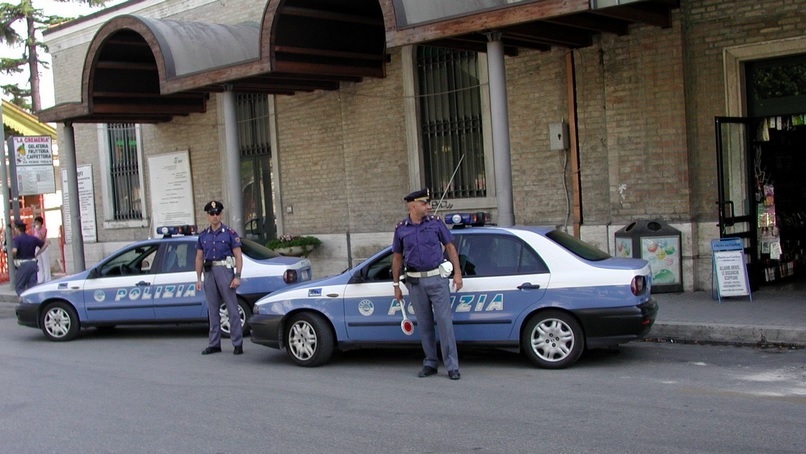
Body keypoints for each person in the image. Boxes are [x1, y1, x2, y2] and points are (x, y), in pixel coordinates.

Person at [392, 188, 463, 380]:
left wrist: (457, 273)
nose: (428, 206)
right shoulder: (401, 228)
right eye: (424, 203)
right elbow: (397, 257)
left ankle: (452, 366)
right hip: (414, 282)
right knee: (424, 325)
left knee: (445, 324)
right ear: (412, 205)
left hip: (436, 279)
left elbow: (450, 247)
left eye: (428, 203)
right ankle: (430, 362)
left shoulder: (435, 224)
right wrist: (396, 285)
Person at [195, 200, 245, 355]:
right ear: (208, 216)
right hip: (209, 272)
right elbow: (198, 257)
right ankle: (214, 343)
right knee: (212, 309)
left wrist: (237, 276)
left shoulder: (229, 233)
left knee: (231, 308)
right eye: (212, 214)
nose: (215, 216)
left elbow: (238, 256)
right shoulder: (203, 236)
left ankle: (237, 343)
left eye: (217, 213)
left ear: (221, 214)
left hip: (225, 270)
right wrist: (198, 278)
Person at [11, 221, 47, 296]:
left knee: (20, 286)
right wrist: (37, 254)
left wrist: (13, 256)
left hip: (23, 264)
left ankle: (24, 302)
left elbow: (14, 251)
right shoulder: (32, 238)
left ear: (17, 229)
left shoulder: (17, 239)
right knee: (32, 286)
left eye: (15, 228)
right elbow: (45, 244)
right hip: (33, 263)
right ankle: (33, 302)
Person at [33, 216, 51, 283]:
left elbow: (41, 237)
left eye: (37, 222)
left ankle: (47, 279)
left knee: (45, 263)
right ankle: (41, 279)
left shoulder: (44, 229)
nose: (36, 224)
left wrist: (37, 230)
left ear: (40, 223)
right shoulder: (34, 230)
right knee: (39, 263)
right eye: (35, 222)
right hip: (37, 247)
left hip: (43, 246)